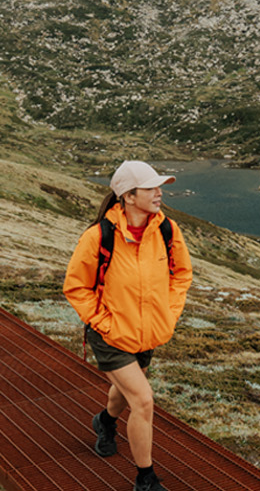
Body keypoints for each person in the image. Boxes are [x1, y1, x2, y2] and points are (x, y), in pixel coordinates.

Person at [63, 160, 193, 491]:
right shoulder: (99, 236)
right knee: (143, 400)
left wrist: (170, 311)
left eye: (158, 186)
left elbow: (181, 274)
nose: (158, 193)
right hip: (110, 335)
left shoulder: (166, 230)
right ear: (128, 196)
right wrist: (104, 323)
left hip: (148, 331)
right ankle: (145, 479)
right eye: (150, 188)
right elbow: (76, 287)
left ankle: (104, 422)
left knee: (125, 390)